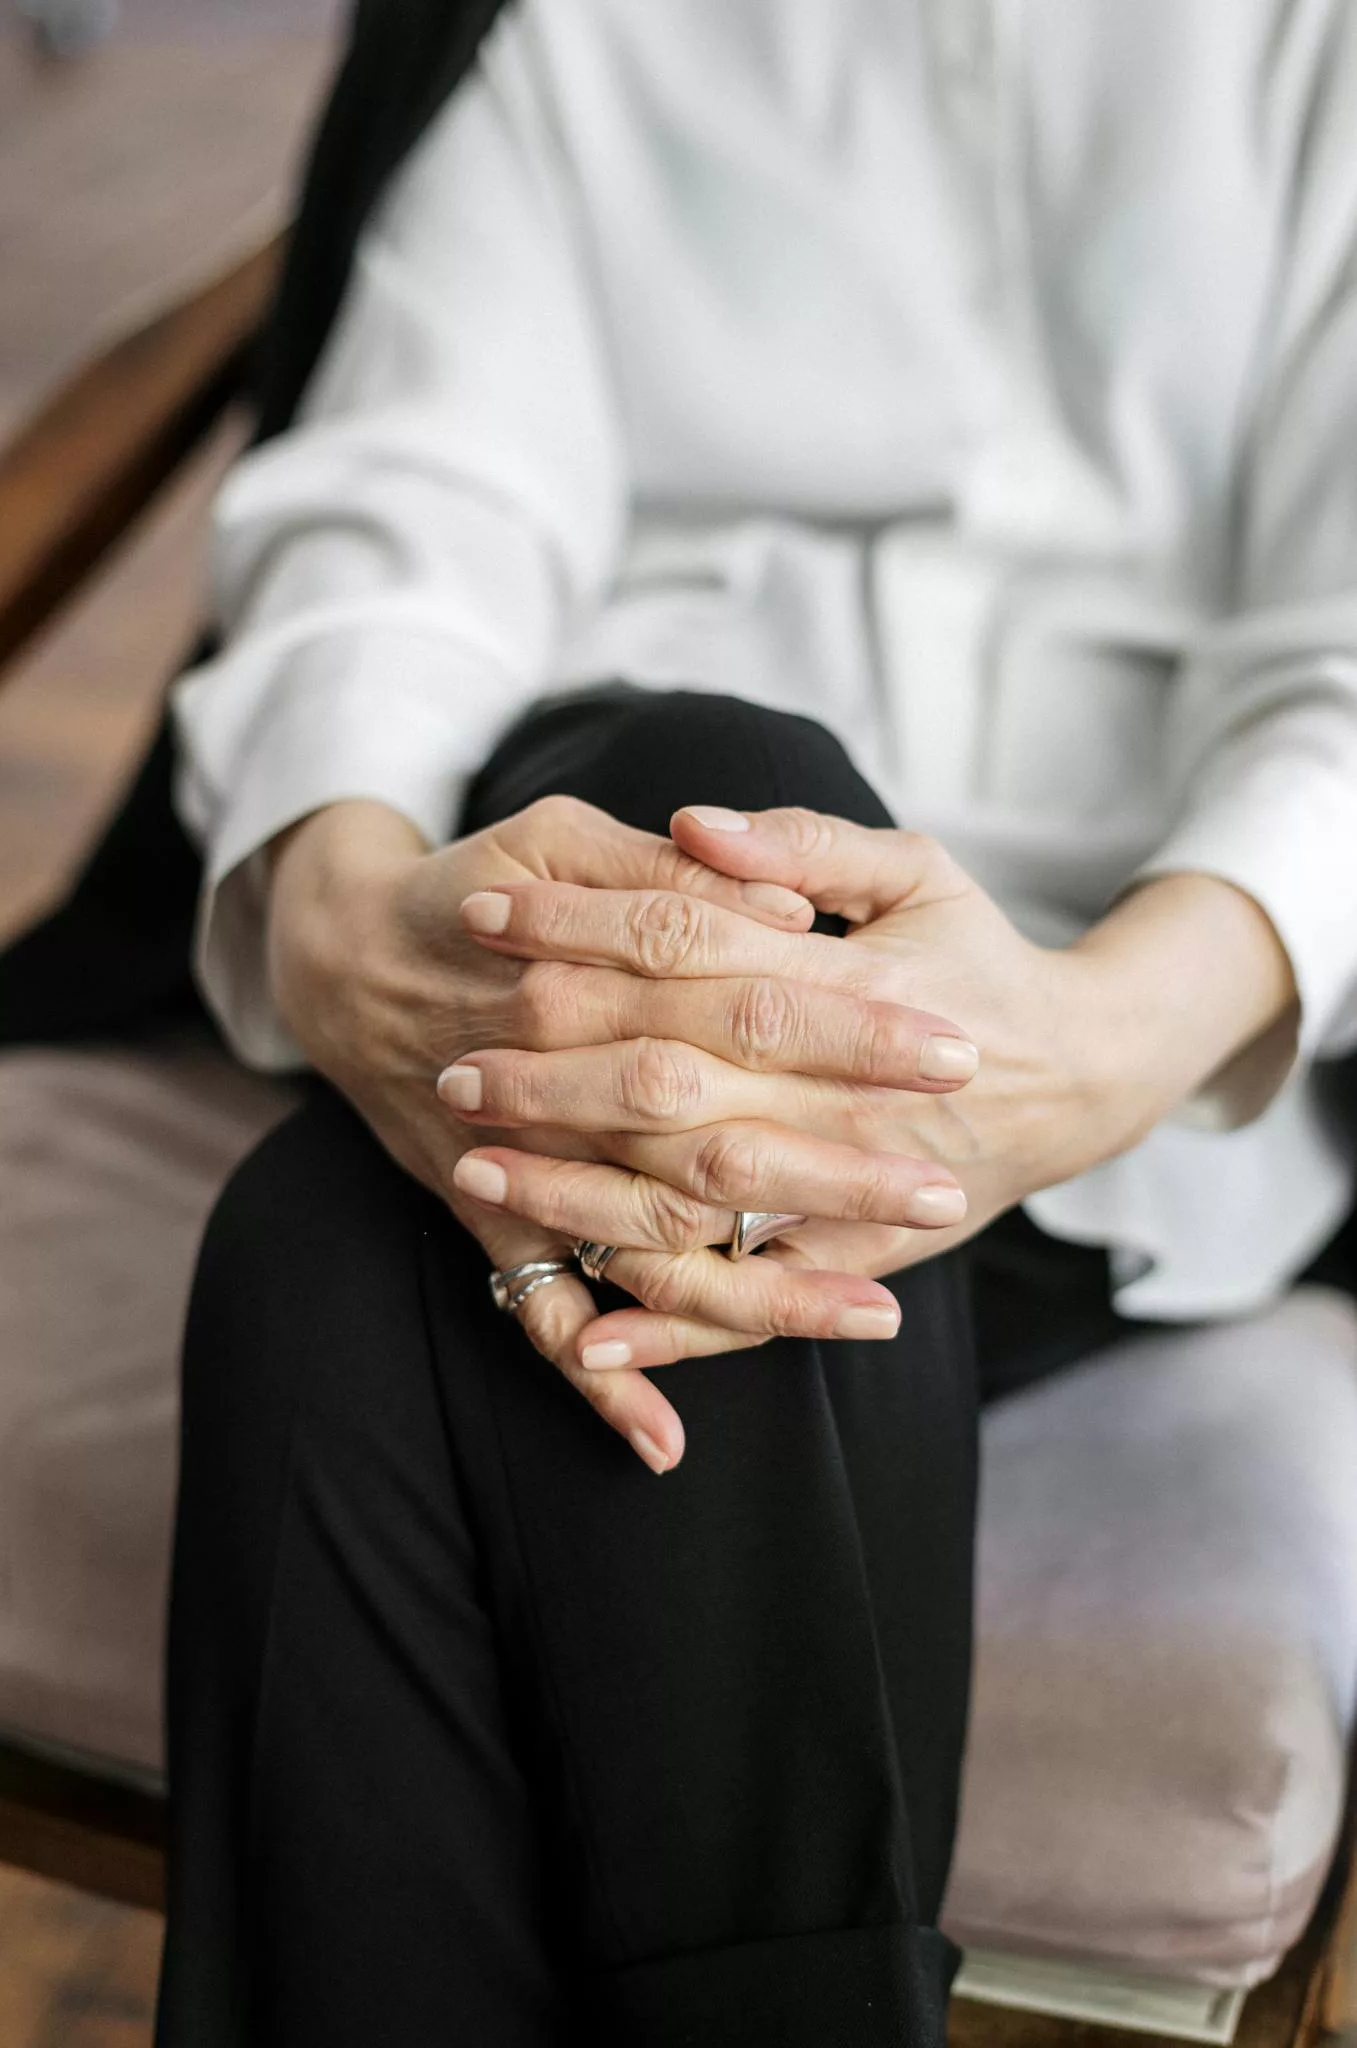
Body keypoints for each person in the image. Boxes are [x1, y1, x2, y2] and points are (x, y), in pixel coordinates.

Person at [148, 3, 1357, 2042]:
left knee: (318, 1263)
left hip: (1120, 1020)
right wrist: (343, 929)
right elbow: (407, 515)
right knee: (717, 775)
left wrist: (1073, 1050)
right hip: (557, 954)